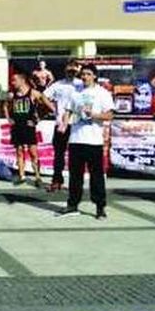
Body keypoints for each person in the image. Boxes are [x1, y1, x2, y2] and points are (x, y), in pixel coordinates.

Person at [56, 63, 114, 218]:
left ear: (94, 76)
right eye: (83, 74)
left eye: (88, 74)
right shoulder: (76, 92)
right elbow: (68, 110)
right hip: (76, 139)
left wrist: (94, 115)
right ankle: (72, 204)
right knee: (75, 176)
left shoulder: (102, 93)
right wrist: (64, 123)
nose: (85, 77)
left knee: (96, 176)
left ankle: (100, 207)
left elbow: (109, 115)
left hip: (94, 141)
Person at [4, 70, 52, 187]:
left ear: (22, 80)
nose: (12, 83)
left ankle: (37, 176)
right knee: (19, 151)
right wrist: (8, 118)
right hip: (17, 127)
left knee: (33, 152)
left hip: (29, 126)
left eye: (14, 80)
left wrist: (38, 119)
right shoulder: (12, 94)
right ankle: (21, 176)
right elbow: (5, 106)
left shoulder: (33, 93)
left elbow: (49, 106)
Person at [43, 59, 83, 193]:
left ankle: (74, 183)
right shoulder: (58, 84)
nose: (71, 71)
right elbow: (44, 96)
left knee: (75, 155)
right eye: (69, 68)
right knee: (59, 154)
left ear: (78, 70)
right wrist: (54, 109)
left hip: (77, 124)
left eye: (74, 68)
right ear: (65, 69)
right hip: (60, 123)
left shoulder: (81, 84)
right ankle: (56, 181)